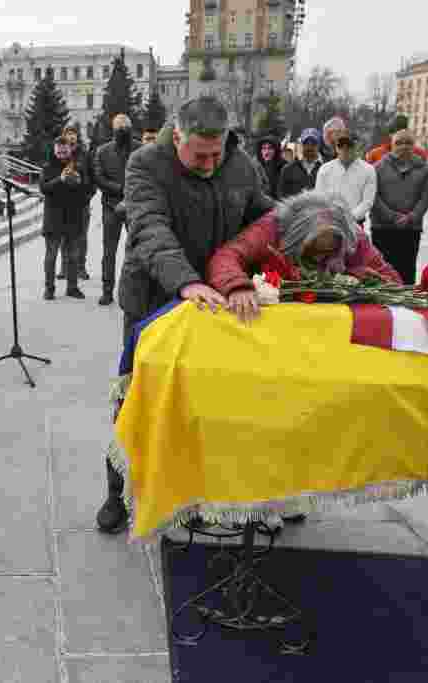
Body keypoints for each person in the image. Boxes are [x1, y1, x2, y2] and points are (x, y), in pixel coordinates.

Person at [96, 96, 276, 534]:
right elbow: (150, 228)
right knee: (136, 398)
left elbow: (264, 216)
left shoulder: (240, 165)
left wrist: (308, 223)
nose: (211, 165)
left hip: (214, 303)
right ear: (177, 137)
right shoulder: (145, 164)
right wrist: (186, 281)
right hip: (154, 298)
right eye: (200, 156)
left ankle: (195, 490)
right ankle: (119, 493)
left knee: (205, 400)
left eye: (217, 154)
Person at [208, 191, 402, 322]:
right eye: (312, 251)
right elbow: (227, 256)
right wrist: (238, 287)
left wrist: (355, 276)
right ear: (294, 238)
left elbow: (392, 282)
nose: (318, 260)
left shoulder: (352, 237)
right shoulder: (272, 227)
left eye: (328, 253)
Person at [369, 130, 428, 284]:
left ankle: (405, 297)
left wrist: (411, 217)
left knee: (407, 269)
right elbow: (374, 197)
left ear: (414, 146)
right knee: (382, 270)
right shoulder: (377, 168)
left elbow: (426, 197)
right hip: (382, 227)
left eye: (408, 143)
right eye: (399, 143)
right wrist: (393, 216)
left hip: (411, 228)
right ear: (391, 145)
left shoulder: (426, 169)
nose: (404, 146)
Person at [94, 113, 141, 306]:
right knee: (109, 251)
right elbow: (99, 177)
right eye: (119, 128)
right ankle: (107, 290)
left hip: (134, 205)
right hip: (111, 206)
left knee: (138, 249)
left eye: (125, 128)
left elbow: (145, 175)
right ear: (113, 130)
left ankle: (137, 290)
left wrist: (129, 192)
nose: (122, 131)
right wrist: (120, 189)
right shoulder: (102, 151)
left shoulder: (140, 149)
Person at [41, 135, 94, 299]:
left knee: (73, 256)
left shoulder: (78, 166)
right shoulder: (47, 167)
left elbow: (88, 190)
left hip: (73, 216)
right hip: (53, 218)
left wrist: (79, 183)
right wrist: (61, 179)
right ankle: (49, 289)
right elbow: (43, 188)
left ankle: (72, 287)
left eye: (64, 152)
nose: (62, 155)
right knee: (51, 256)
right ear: (54, 150)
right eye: (59, 152)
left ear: (70, 150)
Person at [315, 132, 377, 228]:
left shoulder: (368, 169)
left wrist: (349, 218)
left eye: (349, 145)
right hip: (330, 223)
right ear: (336, 148)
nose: (345, 149)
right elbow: (319, 198)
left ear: (356, 146)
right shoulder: (325, 169)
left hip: (356, 224)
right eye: (340, 146)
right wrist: (331, 217)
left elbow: (367, 202)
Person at [56, 125, 93, 282]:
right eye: (68, 134)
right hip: (63, 202)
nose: (71, 136)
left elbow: (92, 176)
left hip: (81, 202)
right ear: (64, 136)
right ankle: (64, 268)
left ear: (77, 137)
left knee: (81, 237)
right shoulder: (59, 152)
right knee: (64, 237)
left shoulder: (84, 154)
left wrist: (89, 195)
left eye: (73, 134)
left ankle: (80, 268)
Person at [278, 128, 323, 198]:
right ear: (301, 145)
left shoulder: (326, 169)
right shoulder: (288, 169)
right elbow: (282, 197)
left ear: (319, 145)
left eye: (313, 144)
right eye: (306, 144)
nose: (309, 147)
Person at [254, 134, 286, 199]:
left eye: (270, 148)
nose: (267, 152)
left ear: (276, 150)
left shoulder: (284, 167)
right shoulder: (256, 167)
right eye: (264, 148)